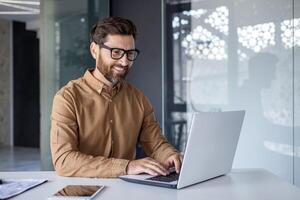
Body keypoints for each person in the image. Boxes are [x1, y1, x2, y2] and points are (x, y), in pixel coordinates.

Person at [50, 16, 182, 178]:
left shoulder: (138, 99)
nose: (125, 62)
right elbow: (64, 161)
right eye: (116, 52)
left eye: (130, 53)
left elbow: (156, 144)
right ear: (94, 50)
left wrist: (170, 155)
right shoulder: (67, 98)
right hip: (81, 191)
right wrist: (126, 166)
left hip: (125, 191)